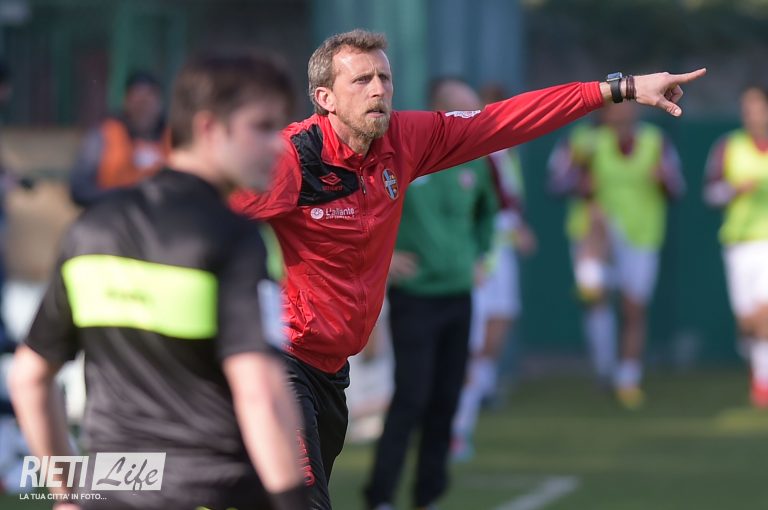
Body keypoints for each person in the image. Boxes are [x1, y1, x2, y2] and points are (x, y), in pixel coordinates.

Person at [230, 27, 705, 509]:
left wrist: (620, 88)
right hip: (279, 360)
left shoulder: (403, 140)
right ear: (324, 98)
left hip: (331, 371)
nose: (378, 90)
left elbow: (502, 121)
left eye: (384, 78)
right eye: (362, 80)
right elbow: (203, 214)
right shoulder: (293, 159)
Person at [9, 53, 308, 510]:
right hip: (211, 490)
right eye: (263, 127)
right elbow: (261, 393)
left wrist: (67, 493)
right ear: (210, 128)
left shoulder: (91, 231)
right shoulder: (236, 238)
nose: (278, 146)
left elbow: (29, 377)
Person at [363, 77, 498, 510]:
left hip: (460, 295)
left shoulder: (477, 161)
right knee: (411, 398)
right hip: (416, 297)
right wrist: (383, 260)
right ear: (440, 112)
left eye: (476, 109)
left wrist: (479, 254)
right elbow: (364, 211)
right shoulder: (406, 154)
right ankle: (380, 497)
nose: (474, 118)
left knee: (447, 400)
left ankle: (428, 497)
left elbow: (488, 213)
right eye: (464, 109)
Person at [548, 102, 685, 409]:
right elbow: (556, 182)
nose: (622, 115)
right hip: (593, 235)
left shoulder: (656, 141)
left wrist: (663, 180)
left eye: (628, 108)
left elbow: (677, 187)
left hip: (641, 235)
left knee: (633, 307)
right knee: (595, 296)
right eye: (616, 108)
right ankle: (604, 369)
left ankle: (628, 378)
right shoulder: (582, 140)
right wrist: (580, 182)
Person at [452, 83, 537, 462]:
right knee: (469, 348)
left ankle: (470, 405)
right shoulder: (468, 151)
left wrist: (517, 229)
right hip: (472, 260)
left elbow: (506, 202)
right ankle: (457, 428)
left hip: (498, 255)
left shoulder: (506, 153)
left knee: (495, 331)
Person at [704, 85, 768, 408]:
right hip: (738, 243)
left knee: (764, 312)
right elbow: (710, 193)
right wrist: (733, 190)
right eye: (747, 108)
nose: (752, 114)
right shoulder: (727, 146)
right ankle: (757, 364)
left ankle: (763, 383)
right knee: (747, 321)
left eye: (757, 107)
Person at [69, 70, 168, 207]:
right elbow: (79, 190)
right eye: (138, 102)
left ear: (159, 103)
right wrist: (128, 196)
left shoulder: (175, 138)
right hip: (114, 214)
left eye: (148, 101)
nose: (143, 109)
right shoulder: (104, 135)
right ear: (126, 102)